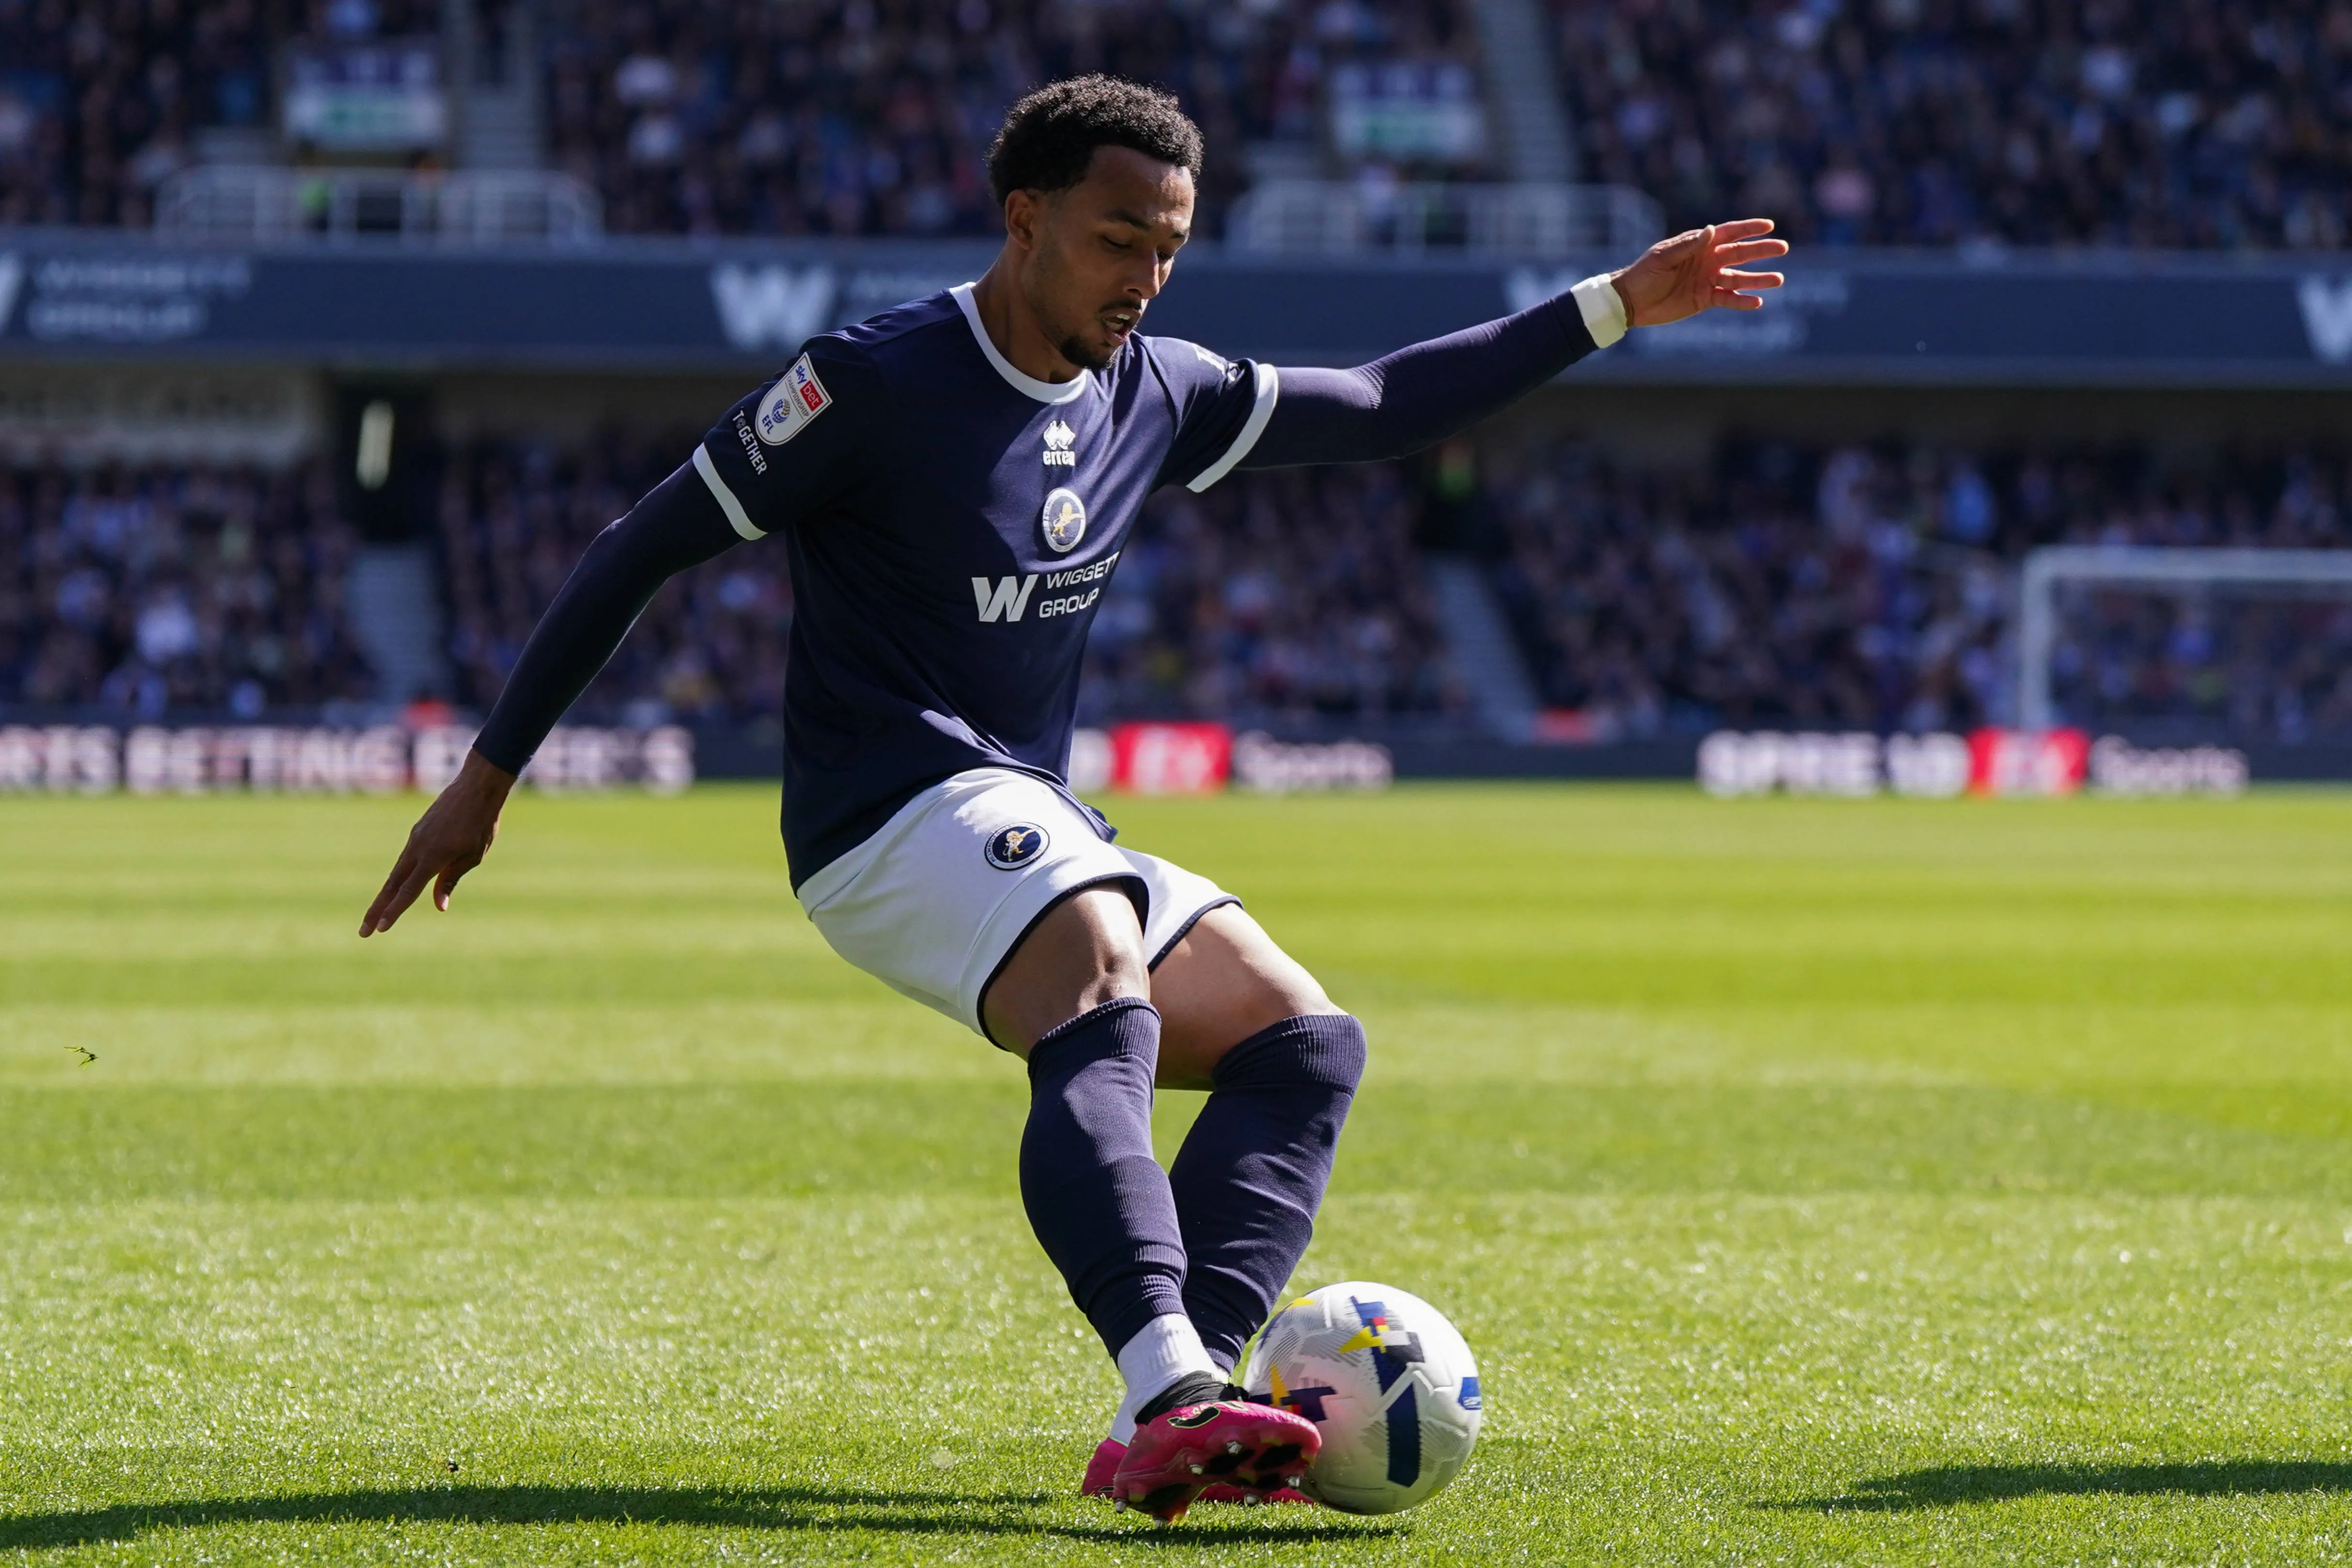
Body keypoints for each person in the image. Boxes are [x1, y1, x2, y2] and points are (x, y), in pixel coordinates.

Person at [359, 74, 1784, 1523]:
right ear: (1023, 217)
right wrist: (486, 778)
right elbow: (634, 548)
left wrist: (1607, 304)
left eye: (1169, 245)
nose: (1146, 278)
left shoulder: (1151, 387)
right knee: (1102, 969)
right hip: (880, 816)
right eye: (1117, 240)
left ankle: (1203, 1404)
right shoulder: (873, 380)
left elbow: (1373, 408)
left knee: (1303, 1042)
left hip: (1024, 815)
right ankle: (1163, 1376)